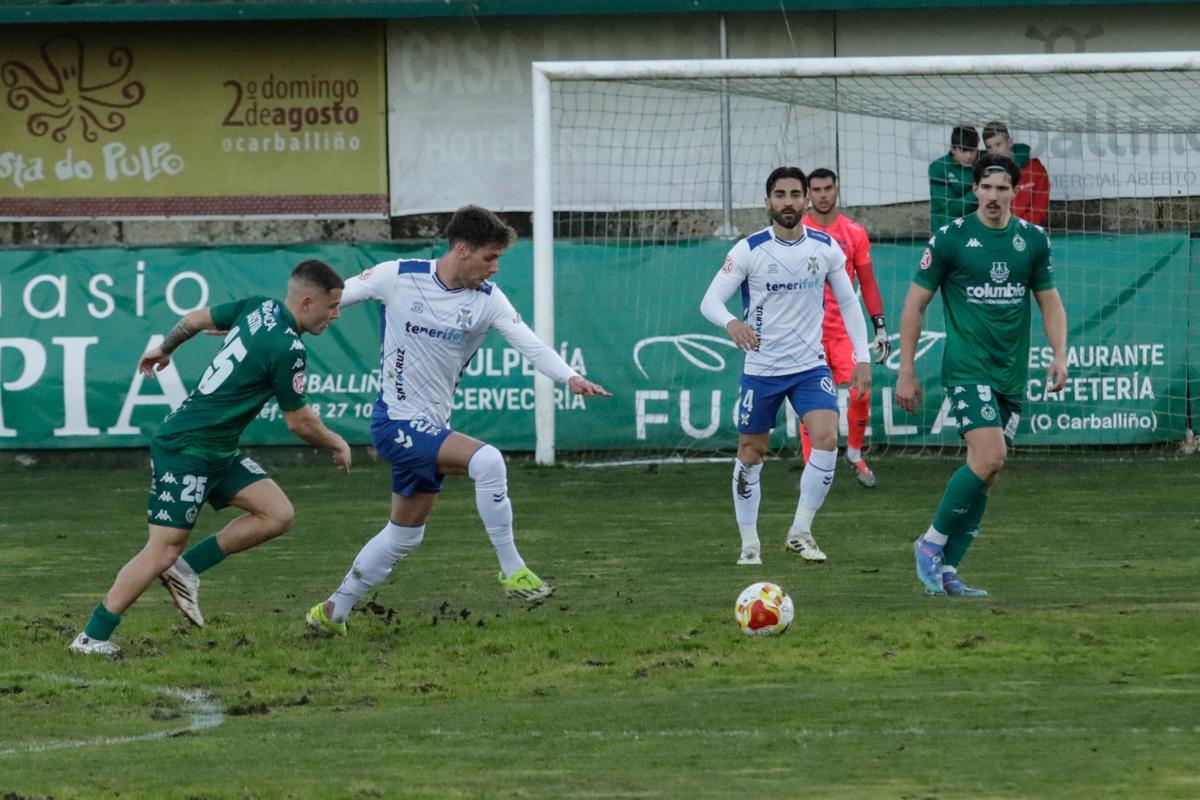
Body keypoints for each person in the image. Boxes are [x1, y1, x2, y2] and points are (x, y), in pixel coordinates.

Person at [305, 205, 610, 636]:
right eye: (490, 257)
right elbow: (334, 297)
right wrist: (273, 324)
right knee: (488, 462)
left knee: (404, 536)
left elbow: (532, 345)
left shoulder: (487, 301)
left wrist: (570, 376)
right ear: (462, 250)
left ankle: (332, 611)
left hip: (430, 427)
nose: (495, 268)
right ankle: (512, 570)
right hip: (395, 422)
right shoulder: (398, 275)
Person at [70, 260, 352, 655]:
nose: (337, 314)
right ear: (307, 302)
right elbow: (299, 422)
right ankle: (91, 637)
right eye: (333, 306)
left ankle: (185, 571)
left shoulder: (259, 307)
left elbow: (196, 319)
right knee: (162, 549)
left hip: (217, 449)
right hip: (186, 449)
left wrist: (164, 348)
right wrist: (336, 442)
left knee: (277, 514)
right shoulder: (288, 347)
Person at [896, 153, 1067, 597]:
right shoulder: (951, 239)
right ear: (974, 190)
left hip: (1010, 372)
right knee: (990, 457)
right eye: (986, 188)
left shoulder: (1032, 240)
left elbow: (1050, 302)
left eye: (1002, 188)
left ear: (1014, 191)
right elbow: (915, 304)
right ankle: (930, 544)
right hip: (967, 367)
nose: (993, 196)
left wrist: (1059, 355)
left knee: (987, 472)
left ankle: (949, 572)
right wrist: (906, 370)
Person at [701, 166, 872, 566]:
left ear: (806, 200)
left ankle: (801, 531)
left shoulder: (826, 247)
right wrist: (732, 323)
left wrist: (861, 357)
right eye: (780, 195)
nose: (789, 202)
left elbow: (849, 303)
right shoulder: (749, 249)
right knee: (752, 452)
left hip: (809, 367)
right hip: (761, 370)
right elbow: (709, 301)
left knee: (828, 437)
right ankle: (749, 543)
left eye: (796, 194)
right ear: (768, 202)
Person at [800, 167, 889, 487]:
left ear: (837, 189)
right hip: (806, 335)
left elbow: (866, 282)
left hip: (843, 334)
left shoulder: (854, 233)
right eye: (816, 189)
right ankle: (812, 468)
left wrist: (879, 325)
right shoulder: (797, 231)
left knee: (860, 392)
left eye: (828, 188)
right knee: (809, 400)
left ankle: (854, 452)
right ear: (808, 194)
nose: (823, 195)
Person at [982, 121, 1050, 226]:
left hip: (1028, 230)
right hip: (996, 231)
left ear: (1009, 143)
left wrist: (1016, 226)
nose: (994, 151)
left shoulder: (1035, 168)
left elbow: (1040, 210)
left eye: (998, 144)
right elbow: (982, 209)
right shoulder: (986, 172)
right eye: (989, 147)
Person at [929, 125, 980, 231]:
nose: (969, 156)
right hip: (945, 229)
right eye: (964, 150)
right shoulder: (938, 167)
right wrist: (976, 192)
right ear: (953, 149)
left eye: (973, 150)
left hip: (974, 228)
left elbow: (1021, 152)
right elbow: (949, 209)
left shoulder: (983, 163)